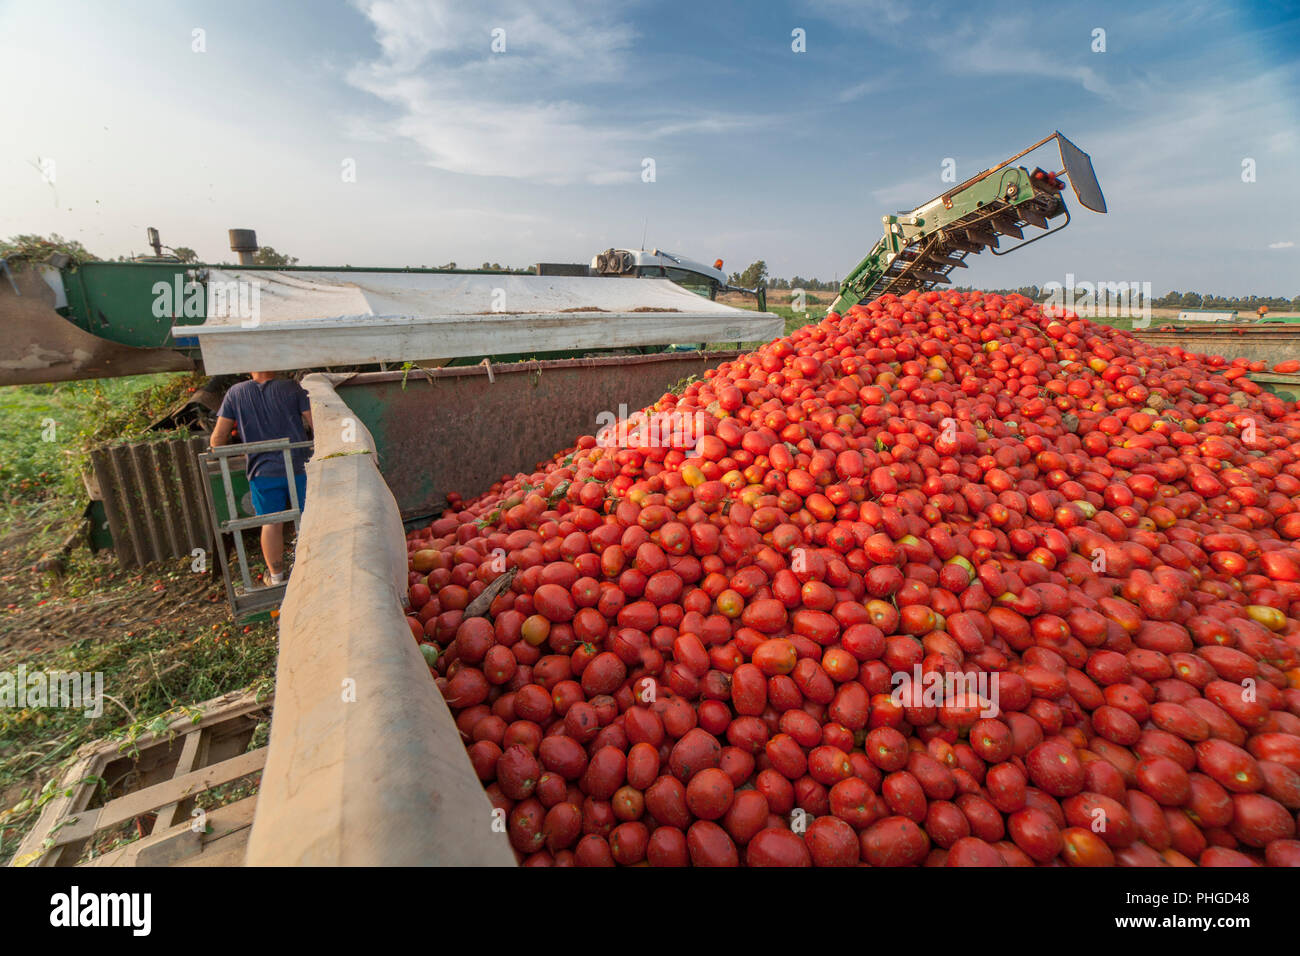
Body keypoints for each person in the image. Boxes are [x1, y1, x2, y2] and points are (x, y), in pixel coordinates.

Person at [210, 371, 313, 585]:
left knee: (271, 522)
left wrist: (239, 452)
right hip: (299, 467)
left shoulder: (235, 393)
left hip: (262, 471)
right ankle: (313, 569)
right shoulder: (292, 388)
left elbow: (218, 439)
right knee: (308, 519)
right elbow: (316, 423)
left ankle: (276, 578)